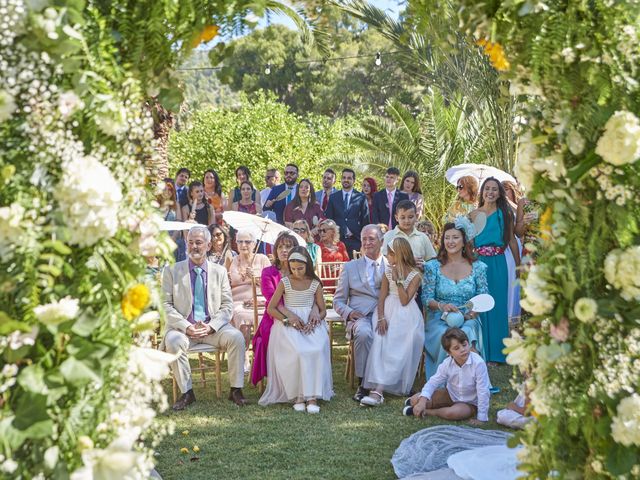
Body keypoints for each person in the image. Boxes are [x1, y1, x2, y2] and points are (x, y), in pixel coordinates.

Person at [162, 225, 247, 410]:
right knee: (174, 341)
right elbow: (165, 305)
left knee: (237, 338)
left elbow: (227, 305)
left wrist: (211, 326)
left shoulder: (220, 272)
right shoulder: (172, 271)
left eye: (198, 243)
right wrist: (186, 326)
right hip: (184, 329)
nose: (194, 247)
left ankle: (236, 390)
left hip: (212, 328)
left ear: (208, 245)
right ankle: (187, 393)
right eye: (190, 242)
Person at [259, 247, 333, 413]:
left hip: (310, 325)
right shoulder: (285, 282)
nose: (297, 272)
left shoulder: (315, 283)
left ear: (307, 265)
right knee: (298, 352)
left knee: (316, 349)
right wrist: (287, 320)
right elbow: (272, 308)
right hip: (288, 326)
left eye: (300, 268)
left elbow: (323, 310)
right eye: (293, 269)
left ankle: (312, 395)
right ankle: (298, 394)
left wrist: (316, 319)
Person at [360, 237, 424, 406]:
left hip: (407, 314)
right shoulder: (388, 271)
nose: (387, 257)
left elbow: (404, 300)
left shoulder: (416, 275)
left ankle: (382, 389)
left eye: (390, 254)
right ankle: (378, 389)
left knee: (401, 340)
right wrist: (381, 317)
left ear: (399, 254)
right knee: (382, 340)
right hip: (387, 311)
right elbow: (381, 298)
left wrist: (399, 280)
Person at [422, 218, 488, 378]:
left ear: (464, 241)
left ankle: (471, 380)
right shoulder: (433, 267)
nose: (450, 241)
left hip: (469, 316)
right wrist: (441, 306)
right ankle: (444, 380)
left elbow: (483, 297)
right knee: (444, 333)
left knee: (466, 332)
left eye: (455, 237)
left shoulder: (478, 267)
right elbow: (426, 297)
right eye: (447, 237)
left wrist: (469, 315)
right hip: (439, 317)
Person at [333, 224, 387, 402]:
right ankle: (363, 383)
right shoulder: (350, 267)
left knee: (396, 333)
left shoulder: (391, 265)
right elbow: (338, 300)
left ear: (382, 241)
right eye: (364, 239)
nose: (367, 242)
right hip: (361, 315)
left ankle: (391, 380)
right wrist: (349, 312)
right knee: (364, 333)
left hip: (385, 314)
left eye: (371, 238)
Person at [470, 177, 520, 363]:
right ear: (482, 192)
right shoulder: (473, 215)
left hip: (498, 263)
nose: (490, 192)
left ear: (499, 193)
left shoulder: (504, 214)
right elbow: (469, 242)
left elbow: (512, 241)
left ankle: (497, 354)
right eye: (487, 189)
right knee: (480, 305)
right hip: (478, 263)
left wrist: (518, 265)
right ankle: (481, 351)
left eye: (494, 189)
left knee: (497, 305)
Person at [404, 328, 490, 425]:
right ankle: (414, 403)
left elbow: (483, 391)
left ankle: (429, 412)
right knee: (416, 400)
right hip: (450, 395)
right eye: (456, 348)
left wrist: (482, 418)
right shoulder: (447, 363)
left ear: (468, 343)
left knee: (452, 413)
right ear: (449, 353)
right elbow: (433, 382)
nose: (463, 350)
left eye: (464, 345)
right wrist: (422, 401)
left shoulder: (478, 363)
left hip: (469, 403)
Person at [250, 232, 297, 386]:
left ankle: (299, 375)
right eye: (280, 247)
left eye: (288, 247)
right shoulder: (268, 272)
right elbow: (273, 301)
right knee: (276, 334)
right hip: (274, 315)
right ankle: (279, 378)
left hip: (298, 311)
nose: (284, 250)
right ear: (275, 250)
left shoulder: (300, 270)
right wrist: (289, 318)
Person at [228, 229, 272, 372]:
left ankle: (264, 355)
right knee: (241, 317)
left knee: (266, 316)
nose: (243, 245)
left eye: (247, 241)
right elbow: (234, 281)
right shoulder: (235, 260)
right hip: (239, 301)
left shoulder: (262, 259)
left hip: (259, 299)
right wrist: (246, 276)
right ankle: (244, 357)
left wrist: (257, 277)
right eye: (240, 241)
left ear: (254, 244)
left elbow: (270, 282)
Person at [324, 168, 370, 258]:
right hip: (338, 240)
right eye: (344, 177)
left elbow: (365, 220)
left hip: (355, 240)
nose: (346, 180)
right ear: (341, 179)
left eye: (349, 178)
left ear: (354, 180)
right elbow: (329, 219)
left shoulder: (360, 197)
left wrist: (363, 241)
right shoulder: (333, 197)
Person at [382, 199, 436, 270]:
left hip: (419, 278)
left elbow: (433, 261)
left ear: (416, 216)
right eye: (403, 217)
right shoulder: (389, 236)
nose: (406, 221)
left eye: (410, 217)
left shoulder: (422, 237)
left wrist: (425, 265)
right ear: (396, 218)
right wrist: (409, 262)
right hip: (396, 279)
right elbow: (384, 261)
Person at [502, 180, 523, 324]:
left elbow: (519, 231)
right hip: (504, 247)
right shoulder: (500, 208)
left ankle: (515, 317)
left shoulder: (520, 204)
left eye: (506, 189)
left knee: (516, 282)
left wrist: (509, 202)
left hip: (517, 245)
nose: (504, 192)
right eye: (501, 190)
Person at [159, 178, 185, 261]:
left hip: (172, 242)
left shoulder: (176, 205)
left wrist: (172, 239)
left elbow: (178, 224)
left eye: (170, 189)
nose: (167, 191)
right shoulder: (155, 204)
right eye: (164, 189)